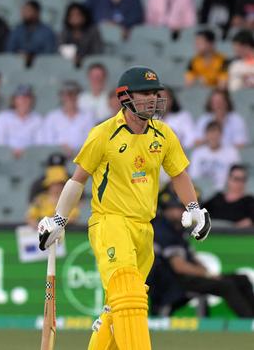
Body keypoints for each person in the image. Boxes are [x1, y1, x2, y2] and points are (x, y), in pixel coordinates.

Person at [37, 66, 212, 350]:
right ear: (125, 97)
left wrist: (194, 208)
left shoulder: (163, 134)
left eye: (156, 93)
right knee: (129, 296)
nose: (153, 99)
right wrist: (58, 219)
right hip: (110, 222)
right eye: (145, 93)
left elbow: (179, 174)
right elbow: (78, 180)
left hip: (144, 228)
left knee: (117, 310)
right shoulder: (103, 134)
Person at [151, 186, 254, 317]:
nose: (183, 211)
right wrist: (206, 274)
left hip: (189, 277)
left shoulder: (177, 228)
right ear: (167, 207)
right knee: (226, 285)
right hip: (173, 282)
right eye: (179, 208)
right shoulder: (162, 229)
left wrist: (208, 272)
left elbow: (191, 257)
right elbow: (179, 267)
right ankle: (249, 321)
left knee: (242, 279)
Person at [40, 80, 96, 157]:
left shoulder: (88, 116)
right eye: (66, 94)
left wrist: (76, 151)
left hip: (82, 159)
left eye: (73, 94)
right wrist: (61, 147)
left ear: (78, 96)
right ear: (61, 96)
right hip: (57, 158)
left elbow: (92, 141)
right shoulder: (52, 117)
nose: (69, 97)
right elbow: (46, 141)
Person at [0, 84, 42, 157]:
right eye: (20, 98)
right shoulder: (2, 117)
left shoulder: (38, 119)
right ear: (14, 100)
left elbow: (39, 144)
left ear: (32, 100)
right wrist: (11, 152)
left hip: (30, 157)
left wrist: (25, 152)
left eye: (27, 97)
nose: (23, 101)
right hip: (6, 157)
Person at [189, 121, 241, 191]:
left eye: (216, 134)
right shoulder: (197, 153)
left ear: (221, 135)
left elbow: (236, 176)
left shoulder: (232, 153)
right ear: (206, 135)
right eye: (211, 133)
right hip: (201, 191)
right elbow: (193, 177)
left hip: (223, 192)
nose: (213, 137)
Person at [6, 0, 57, 67]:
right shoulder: (17, 30)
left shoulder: (47, 32)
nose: (24, 13)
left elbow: (49, 53)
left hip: (41, 66)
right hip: (17, 65)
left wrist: (31, 56)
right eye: (23, 10)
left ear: (36, 13)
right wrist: (19, 55)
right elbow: (9, 49)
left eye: (28, 11)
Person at [59, 2, 104, 66]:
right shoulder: (65, 32)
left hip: (90, 65)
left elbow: (97, 51)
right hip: (68, 64)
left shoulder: (93, 31)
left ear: (84, 17)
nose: (75, 18)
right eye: (72, 15)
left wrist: (82, 59)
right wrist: (72, 58)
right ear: (68, 18)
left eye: (78, 15)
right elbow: (61, 49)